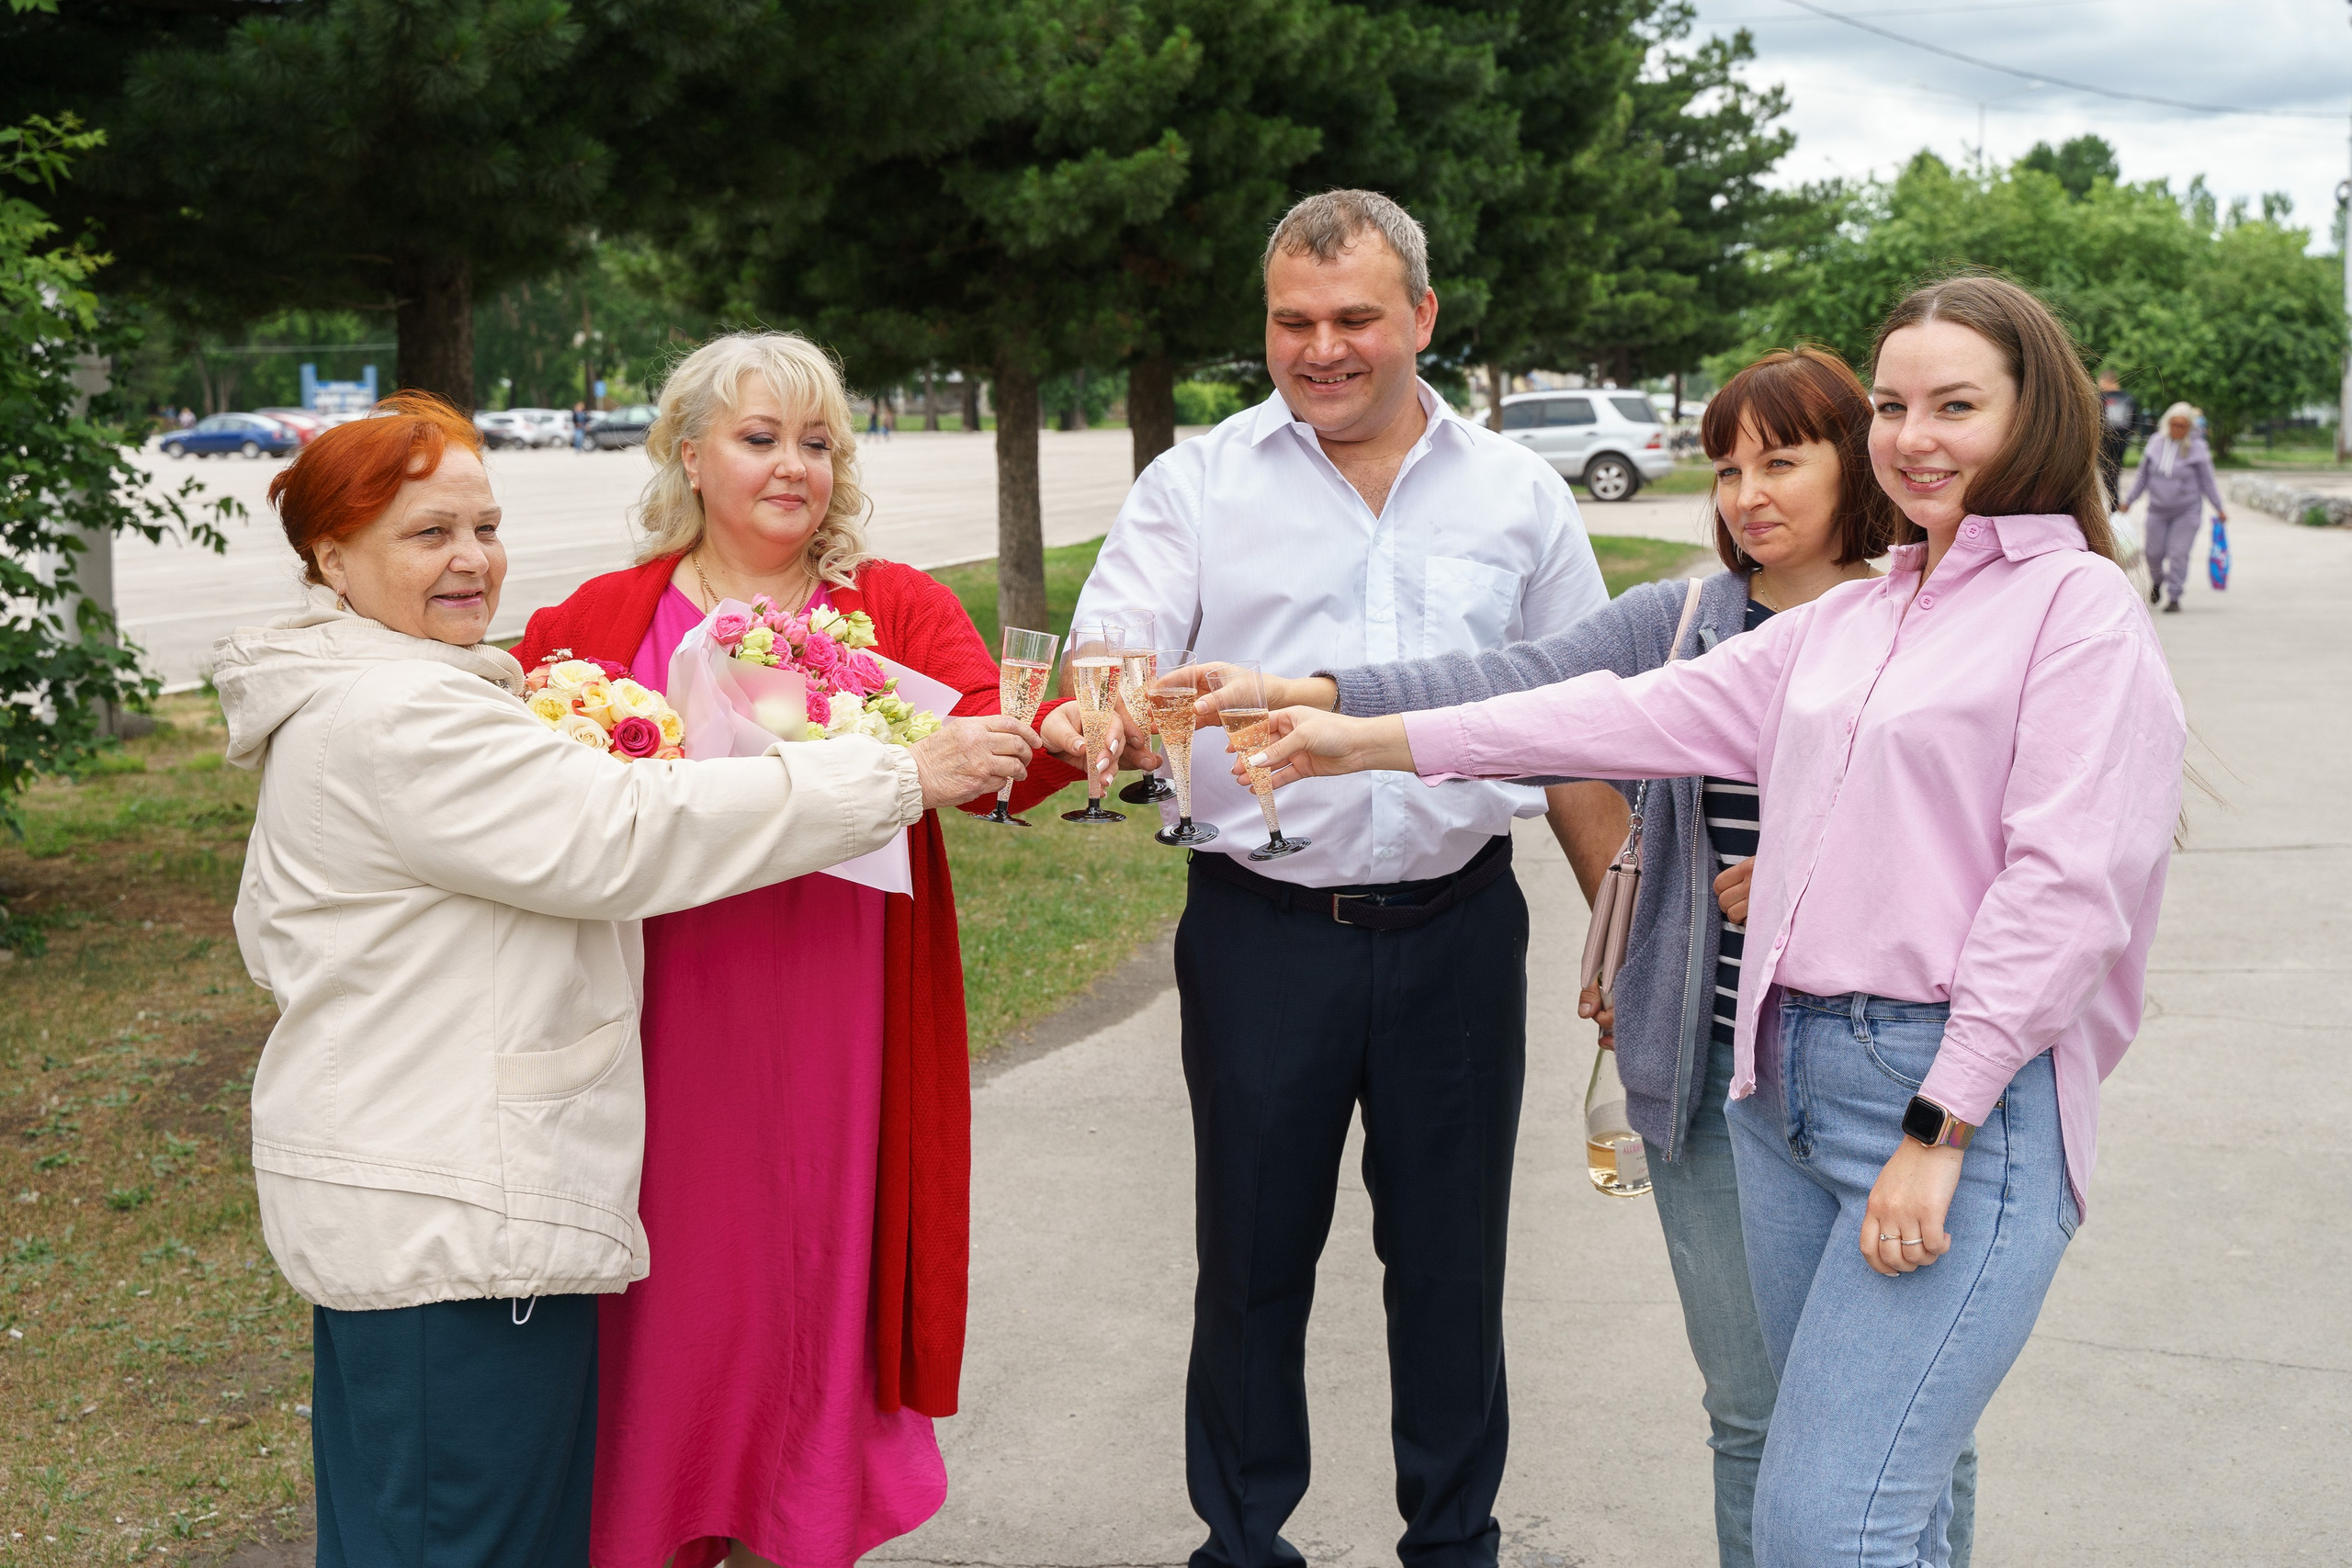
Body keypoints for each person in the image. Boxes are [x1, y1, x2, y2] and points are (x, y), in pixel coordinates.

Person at [1248, 275, 2186, 1568]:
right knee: (1836, 1487)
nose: (1915, 435)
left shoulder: (2076, 609)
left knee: (1823, 1521)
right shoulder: (1862, 615)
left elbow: (2067, 892)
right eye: (1897, 404)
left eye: (1957, 404)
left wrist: (1941, 1116)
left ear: (2036, 419)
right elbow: (1600, 710)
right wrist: (1357, 733)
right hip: (1776, 1085)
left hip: (1946, 1098)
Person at [216, 392, 1032, 1568]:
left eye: (485, 527)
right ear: (332, 558)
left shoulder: (404, 688)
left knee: (431, 1527)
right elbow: (624, 832)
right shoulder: (403, 715)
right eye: (427, 533)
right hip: (459, 1218)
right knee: (470, 1535)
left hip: (425, 1193)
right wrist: (899, 773)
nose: (471, 561)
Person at [1047, 188, 1609, 1568]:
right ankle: (1242, 1543)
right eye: (1293, 322)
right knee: (1250, 1262)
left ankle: (1454, 1542)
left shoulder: (1519, 495)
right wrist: (1102, 711)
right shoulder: (1196, 484)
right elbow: (1106, 661)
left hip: (1462, 928)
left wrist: (1623, 945)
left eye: (1355, 317)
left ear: (1420, 315)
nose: (1322, 348)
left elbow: (1591, 721)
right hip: (1261, 934)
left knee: (1452, 1270)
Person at [513, 331, 1081, 1568]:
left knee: (813, 1265)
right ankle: (656, 1519)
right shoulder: (603, 617)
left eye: (817, 442)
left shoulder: (896, 606)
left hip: (844, 1002)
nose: (793, 467)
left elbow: (995, 753)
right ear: (688, 453)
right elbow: (518, 783)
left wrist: (1065, 735)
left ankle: (797, 1518)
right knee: (670, 1284)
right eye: (761, 438)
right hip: (664, 1009)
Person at [2123, 400, 2224, 613]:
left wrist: (2219, 507)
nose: (2177, 429)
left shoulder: (2197, 448)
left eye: (2182, 426)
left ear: (2190, 427)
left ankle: (2175, 596)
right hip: (2157, 510)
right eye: (2173, 424)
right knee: (2153, 553)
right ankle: (2158, 582)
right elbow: (2143, 475)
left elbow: (2208, 481)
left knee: (2178, 554)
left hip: (2186, 511)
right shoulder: (2156, 443)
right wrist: (2128, 501)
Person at [2096, 369, 2134, 510]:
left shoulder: (2100, 397)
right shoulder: (2128, 398)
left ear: (2106, 381)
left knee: (2107, 475)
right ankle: (2114, 504)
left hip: (2104, 442)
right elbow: (2134, 421)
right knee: (2115, 473)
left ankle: (2114, 504)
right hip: (2122, 442)